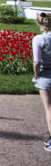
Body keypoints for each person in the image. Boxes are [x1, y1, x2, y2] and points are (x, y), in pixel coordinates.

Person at [32, 12, 51, 152]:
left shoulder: (38, 39)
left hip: (46, 75)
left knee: (49, 108)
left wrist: (36, 75)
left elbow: (37, 62)